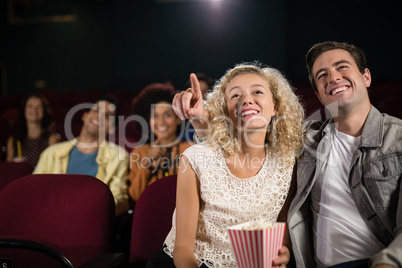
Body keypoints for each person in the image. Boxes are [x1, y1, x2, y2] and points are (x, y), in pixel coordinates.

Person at [147, 62, 305, 267]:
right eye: (235, 95)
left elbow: (282, 230)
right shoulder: (196, 158)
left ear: (275, 106)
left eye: (257, 91)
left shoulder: (287, 161)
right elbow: (182, 249)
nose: (247, 100)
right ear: (225, 111)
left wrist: (283, 253)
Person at [287, 41, 402, 268]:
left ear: (366, 77)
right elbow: (247, 136)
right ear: (319, 95)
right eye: (322, 75)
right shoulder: (306, 141)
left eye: (342, 67)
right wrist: (202, 121)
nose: (333, 77)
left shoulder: (399, 139)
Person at [34, 95, 129, 216]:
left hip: (89, 220)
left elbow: (120, 199)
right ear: (85, 116)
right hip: (50, 216)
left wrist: (90, 211)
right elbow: (34, 190)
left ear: (112, 128)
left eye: (107, 116)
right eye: (96, 110)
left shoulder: (119, 156)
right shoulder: (51, 153)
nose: (99, 116)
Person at [128, 83, 193, 203]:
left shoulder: (191, 149)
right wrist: (146, 164)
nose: (161, 122)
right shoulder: (139, 152)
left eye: (167, 115)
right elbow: (134, 197)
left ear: (178, 119)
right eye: (155, 116)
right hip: (150, 214)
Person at [6, 93, 60, 167]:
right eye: (30, 106)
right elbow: (9, 169)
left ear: (44, 111)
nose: (34, 109)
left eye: (39, 107)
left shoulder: (52, 139)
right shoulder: (13, 140)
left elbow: (54, 168)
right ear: (24, 110)